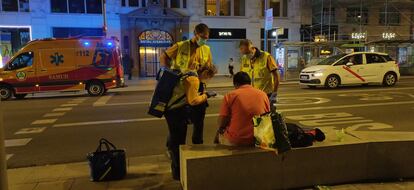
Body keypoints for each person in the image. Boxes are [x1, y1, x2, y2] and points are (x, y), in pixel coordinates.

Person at [160, 23, 214, 145]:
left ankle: (197, 146)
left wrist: (207, 71)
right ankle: (174, 149)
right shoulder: (181, 46)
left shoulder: (206, 49)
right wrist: (166, 71)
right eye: (202, 37)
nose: (204, 40)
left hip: (197, 86)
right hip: (179, 90)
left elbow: (208, 67)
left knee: (199, 122)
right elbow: (164, 57)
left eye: (206, 38)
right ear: (195, 34)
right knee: (178, 128)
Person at [164, 64, 217, 180]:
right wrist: (206, 95)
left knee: (175, 141)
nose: (208, 79)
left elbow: (186, 94)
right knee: (178, 143)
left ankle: (177, 170)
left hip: (171, 110)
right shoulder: (194, 80)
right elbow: (192, 101)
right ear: (205, 73)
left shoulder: (189, 73)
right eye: (209, 76)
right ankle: (177, 173)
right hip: (176, 112)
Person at [214, 71, 270, 146]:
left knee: (219, 135)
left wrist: (219, 130)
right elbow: (267, 116)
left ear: (235, 84)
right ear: (249, 82)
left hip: (237, 140)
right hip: (260, 139)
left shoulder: (230, 96)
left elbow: (222, 121)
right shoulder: (263, 95)